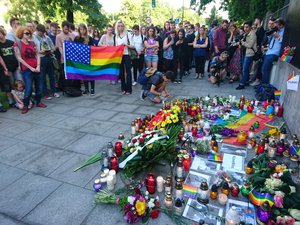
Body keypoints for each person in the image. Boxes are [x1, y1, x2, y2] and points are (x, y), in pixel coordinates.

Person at [14, 26, 47, 114]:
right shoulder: (17, 44)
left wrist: (38, 66)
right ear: (21, 34)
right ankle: (25, 105)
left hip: (37, 68)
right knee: (28, 88)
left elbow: (37, 55)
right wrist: (31, 68)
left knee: (39, 87)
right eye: (26, 33)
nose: (28, 35)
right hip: (27, 70)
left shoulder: (32, 43)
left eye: (29, 33)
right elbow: (19, 58)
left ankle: (38, 102)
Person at [34, 24, 59, 99]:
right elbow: (34, 49)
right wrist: (40, 51)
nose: (42, 34)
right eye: (40, 32)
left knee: (52, 76)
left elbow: (53, 47)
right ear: (37, 31)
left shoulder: (47, 37)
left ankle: (54, 91)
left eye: (43, 32)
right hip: (41, 58)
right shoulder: (34, 38)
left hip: (49, 57)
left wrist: (50, 51)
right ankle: (45, 93)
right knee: (42, 77)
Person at [261, 18, 285, 84]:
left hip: (274, 53)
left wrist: (278, 37)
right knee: (262, 67)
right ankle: (261, 83)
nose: (275, 27)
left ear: (281, 25)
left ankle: (264, 86)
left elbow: (284, 42)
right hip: (269, 51)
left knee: (264, 69)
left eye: (276, 25)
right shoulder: (276, 30)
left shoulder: (284, 31)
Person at [0, 27, 20, 105]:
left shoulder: (11, 42)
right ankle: (13, 100)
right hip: (7, 68)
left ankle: (21, 96)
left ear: (3, 33)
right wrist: (5, 69)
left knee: (20, 81)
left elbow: (17, 54)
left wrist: (19, 65)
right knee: (11, 84)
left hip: (15, 66)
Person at [74, 23, 95, 95]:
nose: (82, 31)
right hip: (81, 59)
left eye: (83, 29)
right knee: (84, 74)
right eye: (81, 29)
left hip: (89, 58)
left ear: (86, 30)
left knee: (91, 73)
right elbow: (74, 48)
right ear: (79, 30)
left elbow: (93, 48)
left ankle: (92, 89)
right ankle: (86, 89)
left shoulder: (89, 38)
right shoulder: (77, 38)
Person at [114, 20, 134, 95]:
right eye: (119, 26)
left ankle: (129, 89)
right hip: (119, 56)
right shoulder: (116, 36)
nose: (120, 27)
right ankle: (123, 88)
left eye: (122, 26)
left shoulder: (128, 34)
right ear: (117, 27)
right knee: (121, 72)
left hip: (127, 55)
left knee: (128, 72)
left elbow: (133, 46)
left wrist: (126, 45)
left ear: (124, 26)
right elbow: (115, 47)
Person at [236, 21, 257, 90]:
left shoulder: (253, 35)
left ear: (250, 27)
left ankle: (242, 83)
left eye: (247, 27)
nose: (245, 28)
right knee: (245, 69)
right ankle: (246, 81)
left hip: (250, 53)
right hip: (245, 53)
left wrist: (242, 42)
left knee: (245, 69)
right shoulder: (246, 34)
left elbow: (249, 45)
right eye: (244, 27)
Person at [55, 20, 74, 89]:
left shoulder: (72, 35)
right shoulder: (59, 36)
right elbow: (59, 47)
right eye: (65, 29)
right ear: (63, 28)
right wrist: (64, 56)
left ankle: (72, 86)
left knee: (72, 72)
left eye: (68, 29)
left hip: (72, 58)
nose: (67, 30)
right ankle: (65, 87)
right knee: (64, 73)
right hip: (64, 58)